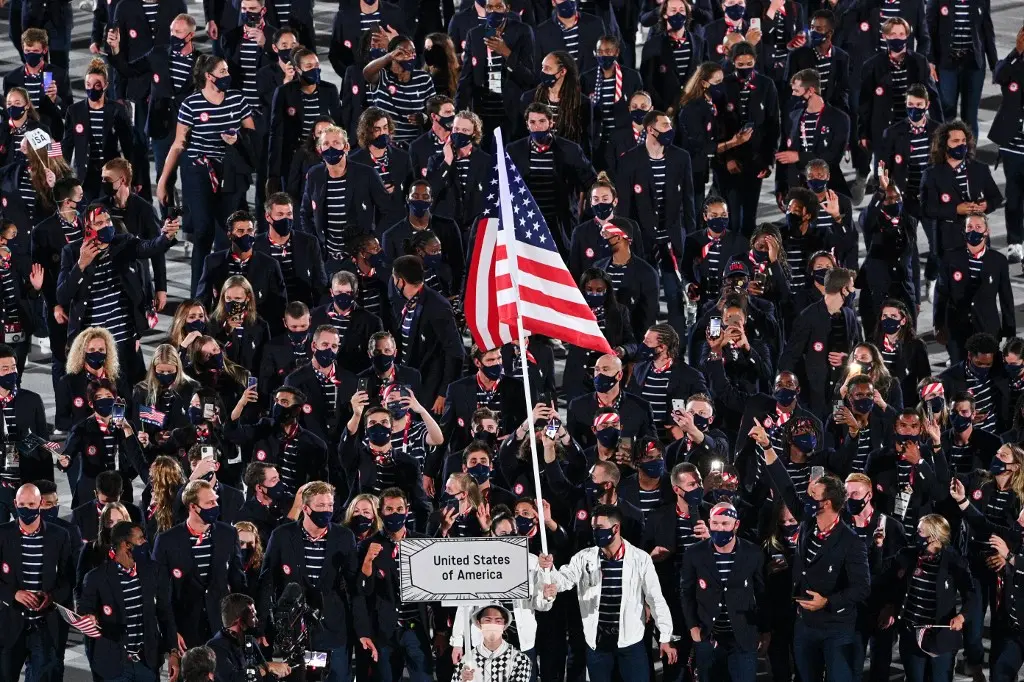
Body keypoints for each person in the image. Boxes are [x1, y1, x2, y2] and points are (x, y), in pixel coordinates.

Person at [759, 434, 870, 682]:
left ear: (827, 503)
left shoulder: (851, 542)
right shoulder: (808, 524)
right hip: (805, 624)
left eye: (813, 495)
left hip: (836, 628)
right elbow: (785, 486)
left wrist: (827, 601)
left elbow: (862, 588)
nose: (807, 499)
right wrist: (767, 447)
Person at [538, 504, 677, 682]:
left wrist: (665, 636)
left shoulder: (640, 559)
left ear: (616, 528)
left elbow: (655, 599)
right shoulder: (583, 557)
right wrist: (550, 571)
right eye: (593, 528)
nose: (595, 533)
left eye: (600, 528)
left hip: (631, 644)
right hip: (597, 644)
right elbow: (566, 578)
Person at [56, 203, 180, 383]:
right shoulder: (72, 253)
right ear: (88, 228)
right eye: (99, 223)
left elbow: (149, 247)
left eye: (108, 221)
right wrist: (81, 265)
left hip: (125, 338)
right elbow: (62, 296)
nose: (106, 226)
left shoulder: (123, 243)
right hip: (95, 346)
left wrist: (165, 236)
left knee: (132, 393)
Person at [257, 481, 359, 682]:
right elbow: (266, 582)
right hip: (293, 631)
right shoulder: (282, 536)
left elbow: (354, 586)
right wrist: (260, 626)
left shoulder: (344, 537)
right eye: (321, 506)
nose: (327, 511)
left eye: (330, 505)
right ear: (305, 508)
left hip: (334, 628)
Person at [614, 110, 695, 336]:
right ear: (651, 129)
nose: (670, 130)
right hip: (643, 241)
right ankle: (644, 342)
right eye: (665, 126)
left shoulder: (681, 158)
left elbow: (689, 201)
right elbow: (625, 209)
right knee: (645, 296)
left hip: (671, 240)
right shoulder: (630, 160)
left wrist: (690, 238)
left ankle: (676, 345)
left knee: (674, 294)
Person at [80, 521, 182, 682]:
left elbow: (165, 614)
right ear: (126, 545)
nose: (145, 543)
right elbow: (85, 609)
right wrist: (89, 616)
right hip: (114, 665)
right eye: (140, 539)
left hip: (147, 663)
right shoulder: (96, 578)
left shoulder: (154, 571)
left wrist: (173, 653)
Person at [680, 501, 768, 681]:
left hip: (742, 637)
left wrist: (765, 630)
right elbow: (686, 592)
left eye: (725, 523)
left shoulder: (753, 553)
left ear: (736, 525)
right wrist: (693, 627)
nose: (719, 528)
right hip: (707, 635)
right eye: (715, 523)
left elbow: (762, 594)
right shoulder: (694, 553)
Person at [0, 483, 75, 682]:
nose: (26, 509)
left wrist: (52, 597)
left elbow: (68, 579)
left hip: (44, 627)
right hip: (10, 625)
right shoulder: (2, 534)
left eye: (31, 504)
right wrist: (13, 594)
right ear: (15, 504)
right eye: (22, 504)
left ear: (40, 504)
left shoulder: (59, 536)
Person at [890, 514, 974, 682]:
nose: (916, 534)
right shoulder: (907, 555)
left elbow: (971, 595)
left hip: (940, 633)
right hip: (911, 631)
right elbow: (889, 581)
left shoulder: (954, 561)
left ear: (934, 537)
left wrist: (962, 616)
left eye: (920, 531)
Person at [778, 267, 862, 420]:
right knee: (817, 435)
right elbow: (790, 358)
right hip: (813, 399)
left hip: (839, 396)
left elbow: (859, 351)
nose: (853, 292)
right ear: (843, 290)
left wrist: (847, 359)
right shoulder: (808, 317)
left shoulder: (849, 316)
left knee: (836, 428)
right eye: (851, 288)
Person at [933, 213, 1016, 365]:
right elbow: (941, 293)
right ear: (963, 231)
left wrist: (1010, 332)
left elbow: (1006, 298)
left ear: (987, 231)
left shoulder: (998, 261)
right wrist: (938, 324)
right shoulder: (950, 259)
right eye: (970, 227)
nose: (974, 231)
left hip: (987, 327)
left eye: (978, 227)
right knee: (960, 371)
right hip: (957, 327)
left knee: (988, 371)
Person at [920, 120, 1003, 261]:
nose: (961, 145)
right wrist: (956, 209)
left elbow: (996, 197)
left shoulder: (979, 169)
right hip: (948, 242)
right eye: (956, 141)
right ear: (944, 144)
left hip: (978, 240)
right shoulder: (932, 174)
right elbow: (927, 209)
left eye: (964, 141)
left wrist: (986, 205)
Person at [455, 0, 537, 141]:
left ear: (507, 8)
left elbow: (529, 77)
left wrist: (506, 52)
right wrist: (458, 113)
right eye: (490, 7)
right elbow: (466, 79)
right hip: (483, 113)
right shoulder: (474, 35)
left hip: (512, 113)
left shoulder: (522, 32)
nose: (493, 11)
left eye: (498, 7)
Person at [195, 212, 287, 326]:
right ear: (229, 234)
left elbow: (279, 305)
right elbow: (202, 300)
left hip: (257, 331)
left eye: (249, 231)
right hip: (222, 329)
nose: (246, 235)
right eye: (240, 231)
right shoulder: (213, 262)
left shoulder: (269, 265)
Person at [207, 593, 291, 682]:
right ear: (240, 621)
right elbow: (234, 679)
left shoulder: (250, 641)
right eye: (253, 617)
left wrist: (276, 670)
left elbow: (266, 675)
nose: (257, 621)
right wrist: (267, 667)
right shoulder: (215, 648)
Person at [450, 604, 533, 682]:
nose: (492, 625)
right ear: (479, 624)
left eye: (498, 621)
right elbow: (464, 606)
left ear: (504, 625)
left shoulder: (520, 660)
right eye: (487, 620)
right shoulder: (467, 660)